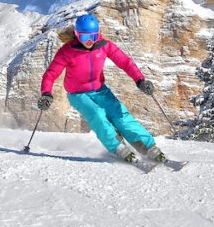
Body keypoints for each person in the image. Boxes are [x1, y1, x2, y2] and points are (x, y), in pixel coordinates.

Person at [38, 13, 167, 164]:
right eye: (85, 37)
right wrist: (46, 93)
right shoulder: (67, 51)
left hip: (100, 90)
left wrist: (140, 80)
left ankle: (148, 147)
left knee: (120, 115)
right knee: (98, 115)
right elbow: (51, 73)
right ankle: (118, 148)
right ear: (77, 34)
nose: (89, 41)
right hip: (78, 94)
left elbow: (125, 62)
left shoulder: (104, 46)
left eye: (93, 36)